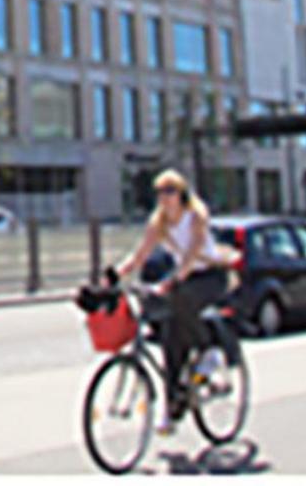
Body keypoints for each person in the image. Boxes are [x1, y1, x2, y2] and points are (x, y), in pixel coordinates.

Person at [112, 169, 237, 430]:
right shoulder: (158, 223)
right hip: (184, 279)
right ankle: (172, 410)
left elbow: (194, 249)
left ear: (181, 194)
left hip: (210, 275)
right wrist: (116, 273)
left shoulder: (195, 215)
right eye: (159, 192)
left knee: (183, 297)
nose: (164, 198)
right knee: (171, 342)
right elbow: (140, 255)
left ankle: (209, 351)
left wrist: (175, 278)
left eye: (170, 191)